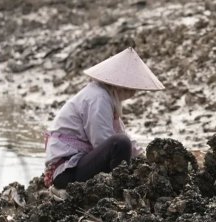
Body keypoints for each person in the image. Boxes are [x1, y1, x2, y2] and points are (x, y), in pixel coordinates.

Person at [44, 47, 165, 191]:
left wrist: (142, 157)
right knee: (120, 143)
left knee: (121, 141)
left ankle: (119, 184)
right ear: (120, 85)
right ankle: (118, 188)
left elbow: (120, 133)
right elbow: (102, 140)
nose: (133, 92)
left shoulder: (106, 97)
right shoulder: (98, 98)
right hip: (67, 172)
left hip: (77, 166)